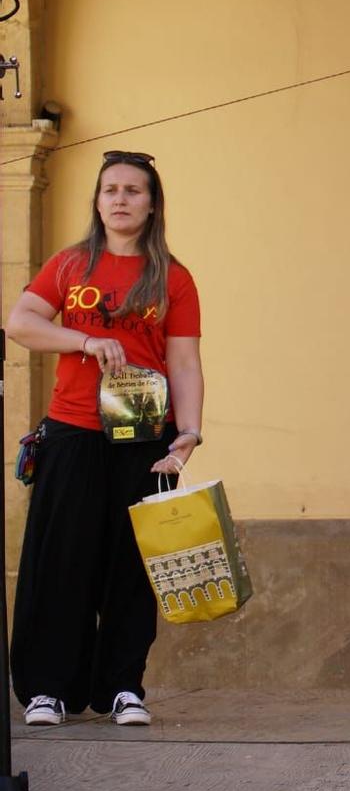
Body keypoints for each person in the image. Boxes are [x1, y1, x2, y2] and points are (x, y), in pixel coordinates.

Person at [5, 149, 205, 728]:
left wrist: (187, 433)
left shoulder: (173, 276)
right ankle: (48, 689)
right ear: (97, 201)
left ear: (151, 204)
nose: (120, 199)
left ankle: (123, 686)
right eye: (110, 189)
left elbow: (185, 361)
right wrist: (84, 342)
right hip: (71, 431)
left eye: (133, 190)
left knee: (131, 562)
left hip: (146, 437)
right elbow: (21, 323)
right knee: (61, 558)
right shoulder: (69, 266)